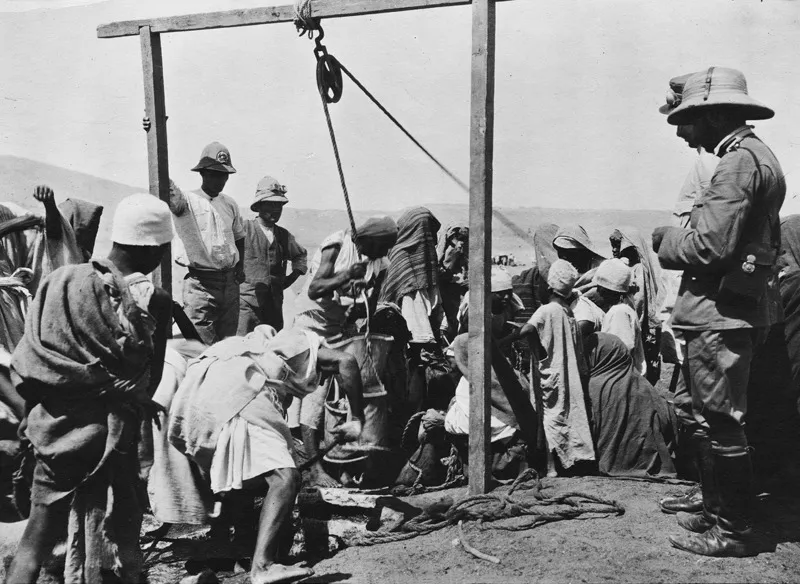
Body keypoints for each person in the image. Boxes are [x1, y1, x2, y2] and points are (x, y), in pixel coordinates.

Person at [652, 67, 785, 557]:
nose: (682, 131)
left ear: (712, 116)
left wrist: (664, 240)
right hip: (729, 310)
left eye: (687, 121)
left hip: (718, 313)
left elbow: (709, 246)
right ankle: (717, 512)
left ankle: (733, 530)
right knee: (714, 418)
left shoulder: (736, 165)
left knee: (722, 421)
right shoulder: (752, 156)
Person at [7, 193, 173, 583]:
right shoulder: (154, 299)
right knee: (124, 535)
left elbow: (29, 362)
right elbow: (153, 376)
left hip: (55, 431)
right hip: (113, 435)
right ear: (155, 249)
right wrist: (120, 391)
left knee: (36, 540)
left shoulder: (60, 281)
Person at [168, 325, 364, 584]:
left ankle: (236, 557)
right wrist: (357, 419)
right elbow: (346, 361)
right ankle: (263, 565)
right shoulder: (300, 342)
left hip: (207, 401)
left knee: (243, 480)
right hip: (241, 393)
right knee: (285, 478)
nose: (322, 381)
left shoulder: (266, 357)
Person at [292, 216, 397, 487]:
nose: (384, 253)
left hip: (338, 329)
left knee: (338, 399)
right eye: (382, 246)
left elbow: (366, 305)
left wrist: (358, 294)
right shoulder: (337, 244)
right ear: (367, 240)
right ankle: (315, 470)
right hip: (310, 325)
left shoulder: (379, 262)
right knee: (313, 401)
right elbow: (316, 288)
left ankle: (343, 466)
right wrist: (347, 276)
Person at [505, 259, 594, 476]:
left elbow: (527, 330)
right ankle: (566, 462)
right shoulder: (567, 311)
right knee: (564, 414)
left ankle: (551, 467)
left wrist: (515, 344)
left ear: (549, 286)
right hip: (564, 372)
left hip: (550, 372)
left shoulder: (547, 309)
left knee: (549, 416)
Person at [169, 142, 245, 344]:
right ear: (203, 173)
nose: (220, 180)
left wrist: (240, 267)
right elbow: (164, 185)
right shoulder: (186, 201)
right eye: (214, 174)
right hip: (201, 285)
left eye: (223, 175)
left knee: (227, 345)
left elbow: (239, 236)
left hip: (229, 284)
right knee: (200, 347)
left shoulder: (229, 204)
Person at [584, 332, 677, 477]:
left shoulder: (593, 387)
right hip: (652, 459)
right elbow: (667, 417)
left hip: (606, 461)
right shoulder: (644, 384)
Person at [238, 176, 307, 334]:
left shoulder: (283, 236)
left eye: (279, 206)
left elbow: (300, 255)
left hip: (274, 308)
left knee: (272, 350)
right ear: (259, 206)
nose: (276, 210)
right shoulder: (243, 229)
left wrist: (290, 278)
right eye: (270, 204)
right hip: (246, 308)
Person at [379, 207, 442, 344]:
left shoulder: (426, 250)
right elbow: (404, 291)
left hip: (426, 310)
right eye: (423, 227)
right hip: (406, 314)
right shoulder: (400, 253)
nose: (426, 233)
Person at [438, 224, 468, 342]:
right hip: (443, 287)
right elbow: (442, 272)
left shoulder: (460, 251)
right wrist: (457, 279)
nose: (461, 244)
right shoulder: (447, 249)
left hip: (453, 288)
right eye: (459, 240)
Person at [552, 225, 606, 292]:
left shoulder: (600, 271)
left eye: (569, 252)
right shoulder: (559, 273)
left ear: (582, 251)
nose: (564, 256)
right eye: (560, 251)